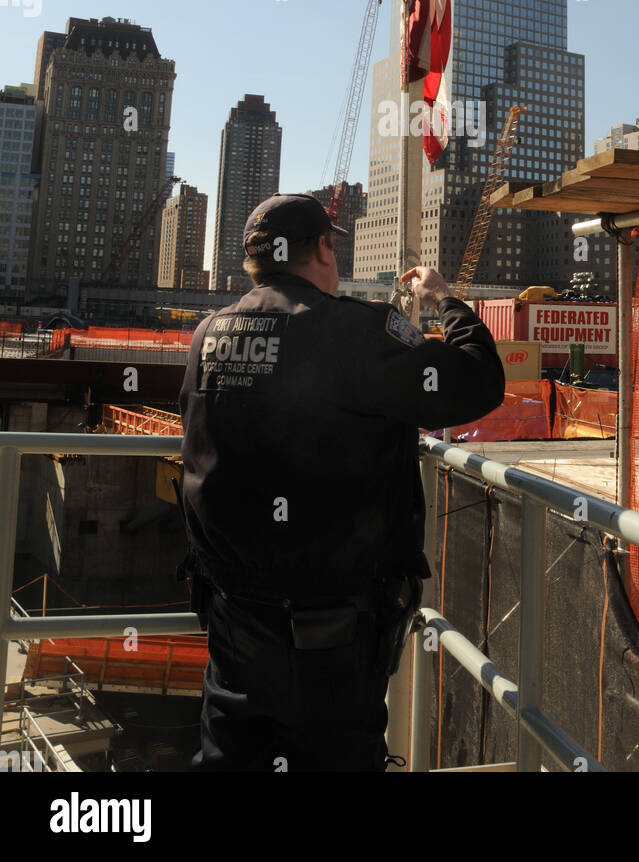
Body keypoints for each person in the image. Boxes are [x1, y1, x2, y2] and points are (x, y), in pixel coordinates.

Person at [177, 192, 505, 773]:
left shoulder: (209, 334)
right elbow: (476, 383)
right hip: (333, 631)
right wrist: (444, 301)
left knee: (230, 756)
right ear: (324, 249)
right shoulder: (360, 328)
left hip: (233, 619)